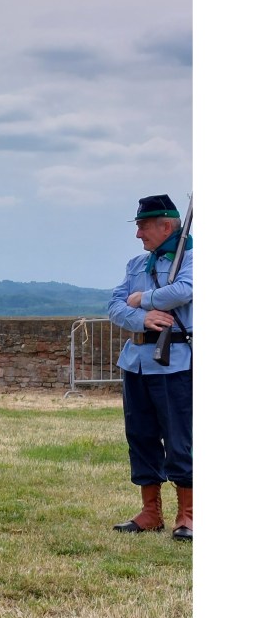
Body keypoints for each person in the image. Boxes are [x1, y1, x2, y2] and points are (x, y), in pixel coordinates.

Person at [108, 194, 193, 541]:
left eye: (143, 226)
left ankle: (188, 514)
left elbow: (184, 290)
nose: (138, 233)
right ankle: (150, 512)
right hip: (137, 362)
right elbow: (115, 307)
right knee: (140, 436)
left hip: (176, 362)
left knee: (180, 439)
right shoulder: (136, 265)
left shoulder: (193, 258)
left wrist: (142, 298)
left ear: (166, 226)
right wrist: (142, 318)